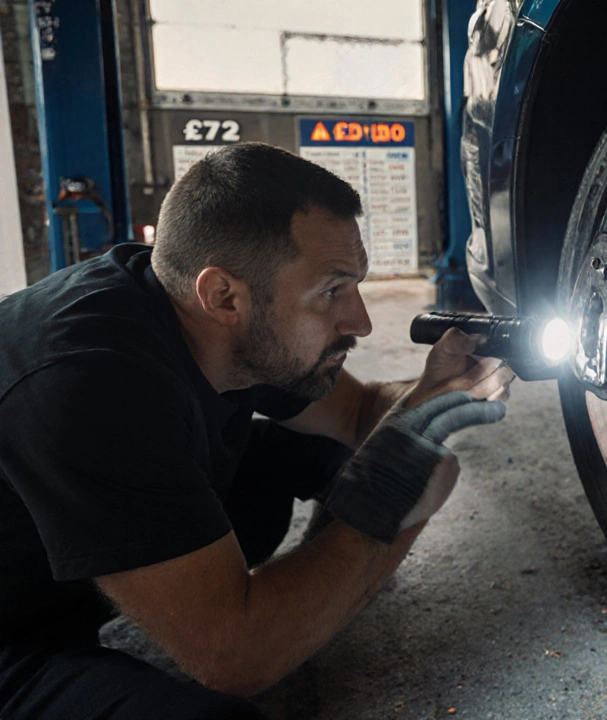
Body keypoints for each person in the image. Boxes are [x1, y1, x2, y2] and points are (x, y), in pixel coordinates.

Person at [0, 142, 515, 718]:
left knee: (310, 451)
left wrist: (436, 393)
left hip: (68, 554)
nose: (362, 322)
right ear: (223, 296)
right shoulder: (91, 381)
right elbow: (236, 660)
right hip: (13, 635)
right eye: (331, 290)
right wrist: (389, 504)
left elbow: (357, 412)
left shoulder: (209, 317)